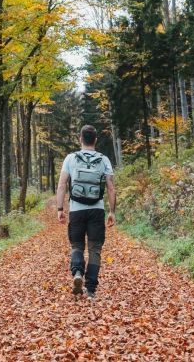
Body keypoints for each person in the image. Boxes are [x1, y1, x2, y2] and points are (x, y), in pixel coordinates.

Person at [56, 125, 116, 301]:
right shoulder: (104, 160)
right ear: (95, 139)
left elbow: (61, 185)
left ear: (80, 139)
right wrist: (112, 212)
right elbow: (111, 188)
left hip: (76, 210)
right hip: (97, 210)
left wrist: (60, 209)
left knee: (77, 247)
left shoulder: (70, 158)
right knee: (95, 249)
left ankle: (77, 273)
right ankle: (90, 290)